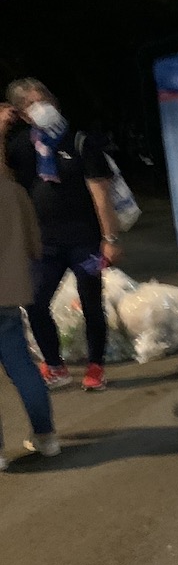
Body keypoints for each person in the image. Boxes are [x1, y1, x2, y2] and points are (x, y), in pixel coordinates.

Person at [2, 78, 119, 391]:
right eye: (31, 104)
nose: (41, 108)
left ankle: (96, 367)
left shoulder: (80, 142)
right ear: (22, 114)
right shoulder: (22, 146)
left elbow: (101, 195)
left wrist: (110, 239)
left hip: (85, 241)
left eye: (44, 100)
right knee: (35, 303)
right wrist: (0, 132)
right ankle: (55, 365)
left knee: (91, 303)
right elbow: (4, 178)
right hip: (44, 243)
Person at [0, 170, 61, 470]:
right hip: (9, 293)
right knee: (23, 367)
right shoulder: (14, 191)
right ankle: (46, 437)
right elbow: (35, 245)